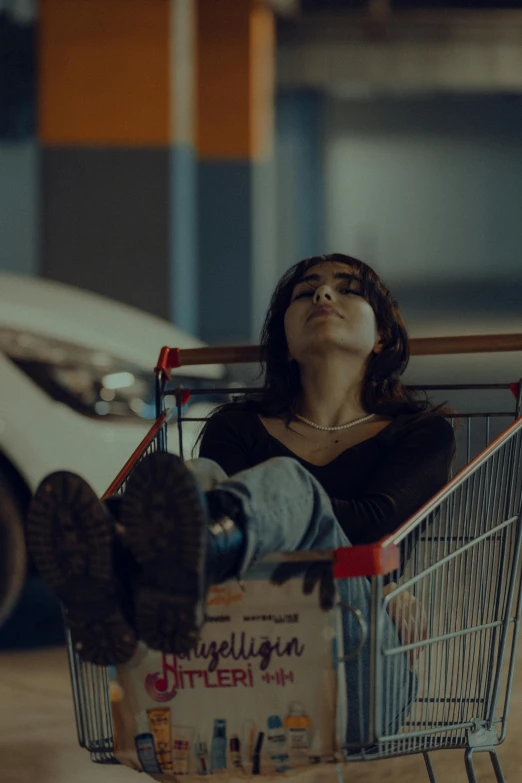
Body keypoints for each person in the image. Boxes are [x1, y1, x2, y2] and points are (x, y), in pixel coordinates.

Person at [26, 253, 455, 744]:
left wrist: (295, 510)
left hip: (358, 671)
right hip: (238, 659)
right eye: (306, 290)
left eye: (348, 289)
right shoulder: (236, 427)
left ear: (381, 337)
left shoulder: (421, 432)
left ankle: (138, 560)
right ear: (286, 345)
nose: (323, 294)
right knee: (200, 475)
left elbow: (376, 525)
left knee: (288, 486)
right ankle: (148, 554)